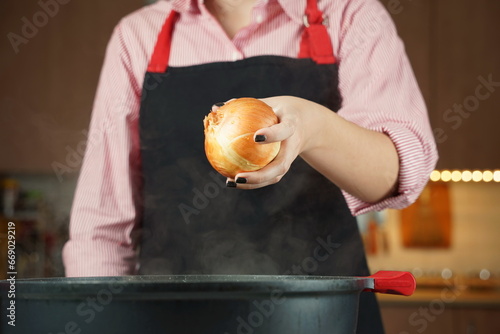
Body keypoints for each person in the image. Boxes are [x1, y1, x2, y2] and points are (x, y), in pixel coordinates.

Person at [63, 0, 438, 332]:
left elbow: (396, 175)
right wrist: (96, 319)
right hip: (173, 318)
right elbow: (102, 229)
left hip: (323, 318)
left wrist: (314, 128)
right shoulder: (139, 36)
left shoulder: (349, 14)